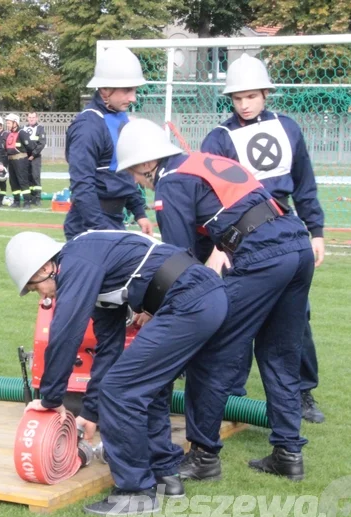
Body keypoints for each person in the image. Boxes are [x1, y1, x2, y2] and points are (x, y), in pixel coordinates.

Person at [117, 118, 314, 481]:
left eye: (133, 171)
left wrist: (149, 308)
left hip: (262, 255)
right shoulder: (202, 162)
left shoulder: (171, 182)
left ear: (147, 163)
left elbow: (178, 259)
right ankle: (288, 452)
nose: (135, 181)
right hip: (295, 243)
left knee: (211, 354)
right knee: (280, 352)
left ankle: (204, 457)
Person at [5, 230, 227, 516]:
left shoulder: (76, 263)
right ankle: (165, 476)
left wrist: (50, 399)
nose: (42, 296)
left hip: (190, 299)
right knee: (148, 387)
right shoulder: (93, 274)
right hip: (201, 296)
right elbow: (108, 349)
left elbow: (64, 333)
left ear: (47, 268)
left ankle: (135, 492)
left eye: (35, 287)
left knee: (121, 391)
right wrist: (91, 413)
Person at [201, 54, 327, 424]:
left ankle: (302, 392)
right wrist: (215, 245)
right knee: (238, 313)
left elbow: (305, 183)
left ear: (266, 93)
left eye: (251, 96)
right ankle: (231, 393)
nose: (243, 104)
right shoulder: (219, 138)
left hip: (285, 228)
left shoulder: (288, 129)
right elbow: (207, 196)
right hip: (240, 234)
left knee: (296, 317)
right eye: (237, 98)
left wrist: (316, 230)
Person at [64, 45, 153, 240]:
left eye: (135, 90)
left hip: (113, 220)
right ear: (105, 89)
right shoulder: (88, 126)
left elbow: (122, 173)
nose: (133, 98)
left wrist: (139, 212)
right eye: (127, 90)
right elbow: (82, 184)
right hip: (89, 224)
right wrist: (101, 230)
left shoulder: (120, 117)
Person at [0, 113, 34, 208]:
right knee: (13, 181)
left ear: (15, 123)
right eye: (7, 122)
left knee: (23, 181)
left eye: (9, 122)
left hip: (21, 160)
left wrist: (29, 156)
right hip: (11, 160)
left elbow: (30, 146)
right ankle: (17, 201)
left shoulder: (22, 133)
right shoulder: (9, 134)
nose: (7, 124)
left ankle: (27, 202)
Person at [23, 112, 46, 206]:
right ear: (27, 118)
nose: (31, 119)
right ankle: (30, 197)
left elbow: (42, 143)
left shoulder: (40, 128)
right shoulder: (23, 128)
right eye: (30, 117)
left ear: (37, 118)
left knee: (35, 176)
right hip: (25, 157)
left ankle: (37, 198)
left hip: (35, 157)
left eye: (33, 117)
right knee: (27, 177)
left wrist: (33, 154)